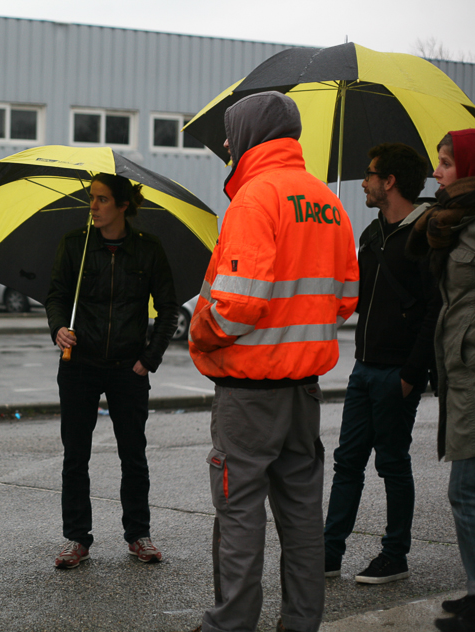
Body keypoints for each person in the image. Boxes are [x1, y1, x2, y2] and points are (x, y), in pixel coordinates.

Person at [188, 91, 359, 632]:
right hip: (303, 389)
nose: (224, 143)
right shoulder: (327, 203)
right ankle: (300, 623)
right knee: (303, 518)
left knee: (239, 513)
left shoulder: (254, 199)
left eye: (230, 132)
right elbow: (346, 298)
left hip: (249, 393)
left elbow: (236, 302)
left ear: (251, 134)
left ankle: (231, 625)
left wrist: (201, 332)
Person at [45, 172, 179, 569]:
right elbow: (55, 295)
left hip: (128, 369)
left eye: (102, 199)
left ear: (123, 206)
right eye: (92, 199)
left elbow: (169, 308)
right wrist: (58, 328)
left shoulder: (148, 249)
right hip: (79, 366)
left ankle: (138, 534)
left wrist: (149, 358)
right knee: (76, 456)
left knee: (133, 455)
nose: (94, 206)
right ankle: (76, 539)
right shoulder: (75, 244)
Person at [323, 143, 439, 585]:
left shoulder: (424, 235)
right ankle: (330, 554)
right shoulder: (372, 235)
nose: (364, 182)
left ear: (389, 181)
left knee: (392, 463)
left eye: (370, 174)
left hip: (397, 373)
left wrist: (412, 375)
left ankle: (395, 555)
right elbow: (356, 300)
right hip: (363, 368)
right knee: (347, 461)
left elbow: (435, 309)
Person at [406, 128, 475, 632]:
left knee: (465, 491)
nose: (437, 171)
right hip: (460, 374)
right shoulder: (452, 222)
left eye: (447, 163)